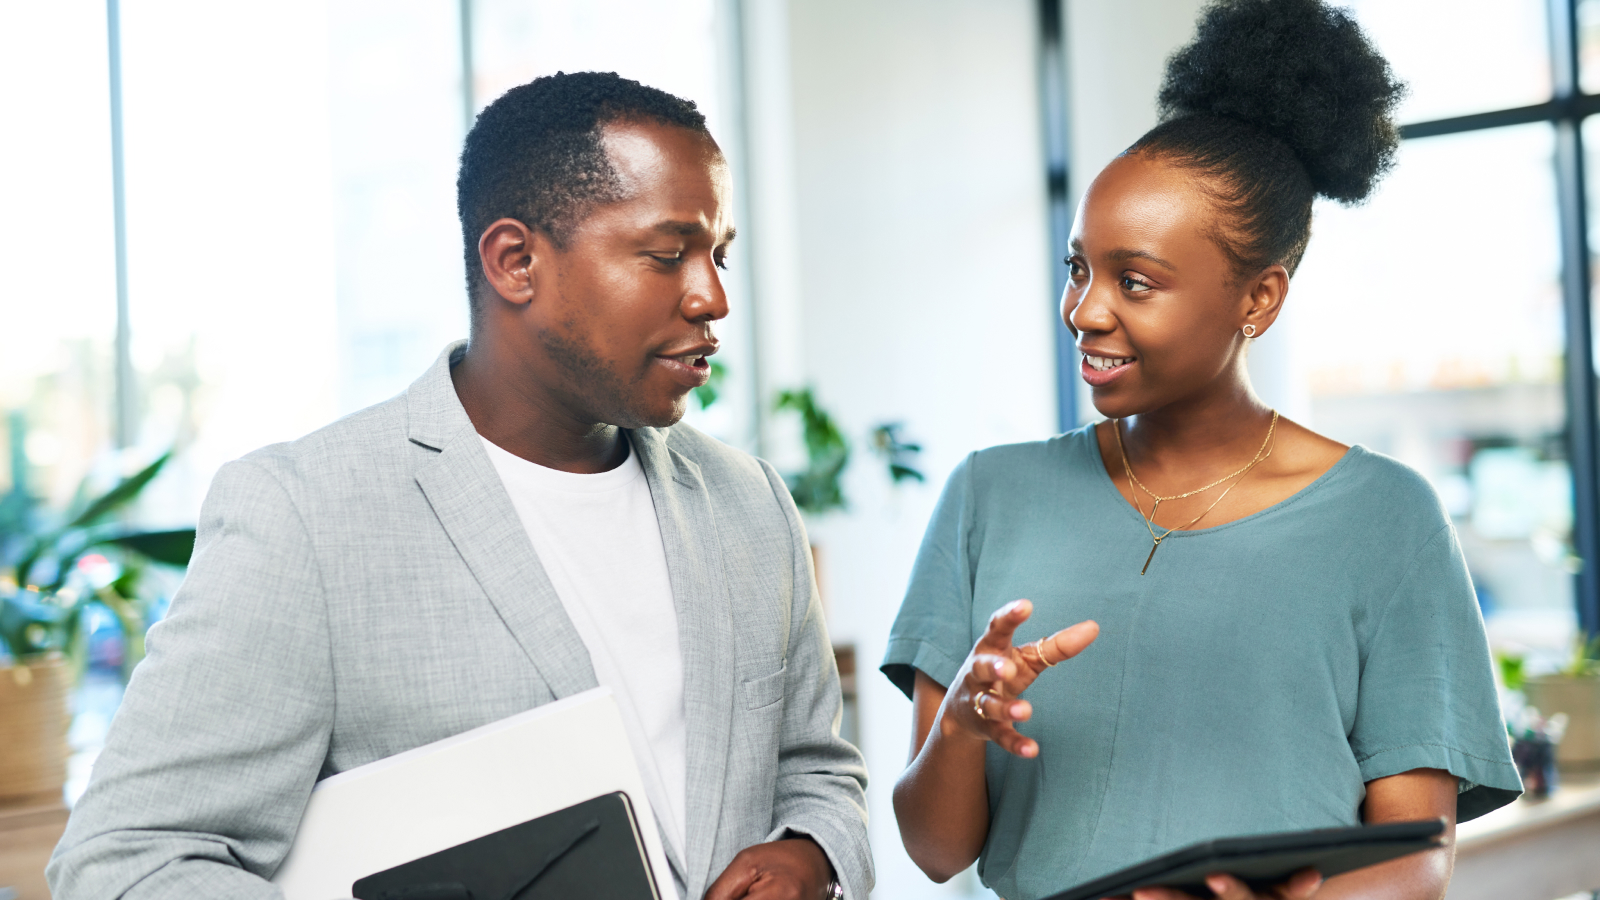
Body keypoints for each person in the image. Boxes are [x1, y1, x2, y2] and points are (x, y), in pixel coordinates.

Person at [49, 72, 869, 900]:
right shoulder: (306, 516)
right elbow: (127, 859)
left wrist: (811, 852)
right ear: (515, 262)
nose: (713, 297)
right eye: (667, 256)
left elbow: (819, 772)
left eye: (718, 255)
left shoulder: (750, 504)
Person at [881, 2, 1522, 899]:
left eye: (1134, 281)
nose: (1085, 311)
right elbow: (936, 851)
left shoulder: (1385, 518)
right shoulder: (990, 493)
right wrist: (959, 724)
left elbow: (1418, 856)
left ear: (1258, 299)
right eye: (1079, 269)